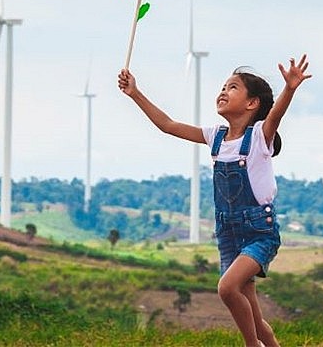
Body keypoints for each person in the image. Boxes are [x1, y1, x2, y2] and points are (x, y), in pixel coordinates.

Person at [118, 55, 312, 347]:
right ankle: (262, 342)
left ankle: (251, 346)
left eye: (232, 87)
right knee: (257, 321)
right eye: (223, 86)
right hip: (228, 234)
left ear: (252, 103)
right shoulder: (215, 137)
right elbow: (168, 124)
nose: (223, 91)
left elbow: (276, 115)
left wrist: (290, 89)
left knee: (226, 288)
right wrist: (135, 93)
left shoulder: (260, 137)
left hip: (259, 232)